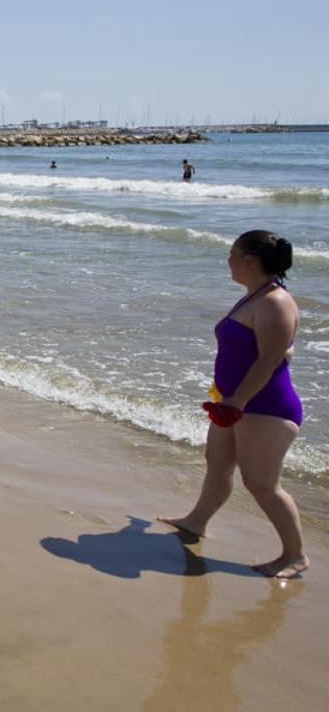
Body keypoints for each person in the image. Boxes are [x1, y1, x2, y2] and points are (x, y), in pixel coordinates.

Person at [159, 230, 309, 579]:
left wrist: (238, 399)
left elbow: (271, 358)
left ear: (249, 261)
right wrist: (229, 400)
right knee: (218, 464)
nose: (227, 261)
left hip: (264, 407)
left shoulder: (275, 302)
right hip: (234, 403)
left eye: (232, 255)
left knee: (261, 484)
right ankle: (196, 522)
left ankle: (295, 555)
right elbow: (279, 348)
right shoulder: (255, 296)